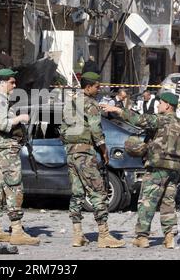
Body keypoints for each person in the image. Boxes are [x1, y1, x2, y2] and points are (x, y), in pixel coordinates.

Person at [102, 92, 180, 249]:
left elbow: (140, 120)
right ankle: (169, 237)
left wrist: (118, 110)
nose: (158, 105)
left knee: (147, 201)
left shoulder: (163, 120)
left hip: (158, 167)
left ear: (168, 106)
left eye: (160, 103)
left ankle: (142, 237)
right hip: (174, 169)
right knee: (168, 203)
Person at [60, 72, 125, 248]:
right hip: (84, 153)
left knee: (78, 193)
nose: (99, 89)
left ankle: (77, 235)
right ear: (87, 87)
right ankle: (104, 235)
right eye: (97, 86)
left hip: (71, 153)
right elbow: (96, 131)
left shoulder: (70, 103)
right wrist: (104, 151)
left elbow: (63, 129)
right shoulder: (91, 104)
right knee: (98, 192)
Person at [0, 68, 40, 246]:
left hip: (2, 148)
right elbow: (3, 124)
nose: (14, 85)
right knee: (14, 186)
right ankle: (16, 230)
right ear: (2, 83)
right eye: (12, 82)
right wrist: (20, 118)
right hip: (6, 149)